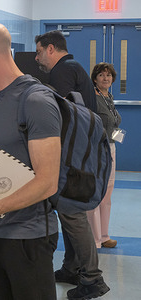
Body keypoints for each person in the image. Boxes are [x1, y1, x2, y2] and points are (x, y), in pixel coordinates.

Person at [0, 20, 62, 299]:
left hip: (29, 240)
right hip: (0, 235)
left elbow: (47, 182)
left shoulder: (36, 101)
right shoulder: (4, 98)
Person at [35, 30, 110, 299]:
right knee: (69, 212)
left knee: (72, 213)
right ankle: (71, 267)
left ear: (51, 49)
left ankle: (92, 279)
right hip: (81, 153)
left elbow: (58, 115)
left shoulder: (62, 72)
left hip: (71, 157)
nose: (37, 58)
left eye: (39, 51)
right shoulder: (75, 67)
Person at [87, 62, 121, 249]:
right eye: (101, 75)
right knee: (96, 193)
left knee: (107, 194)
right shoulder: (93, 97)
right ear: (95, 79)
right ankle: (94, 239)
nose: (105, 78)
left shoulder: (109, 96)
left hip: (112, 147)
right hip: (97, 148)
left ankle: (104, 235)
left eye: (108, 75)